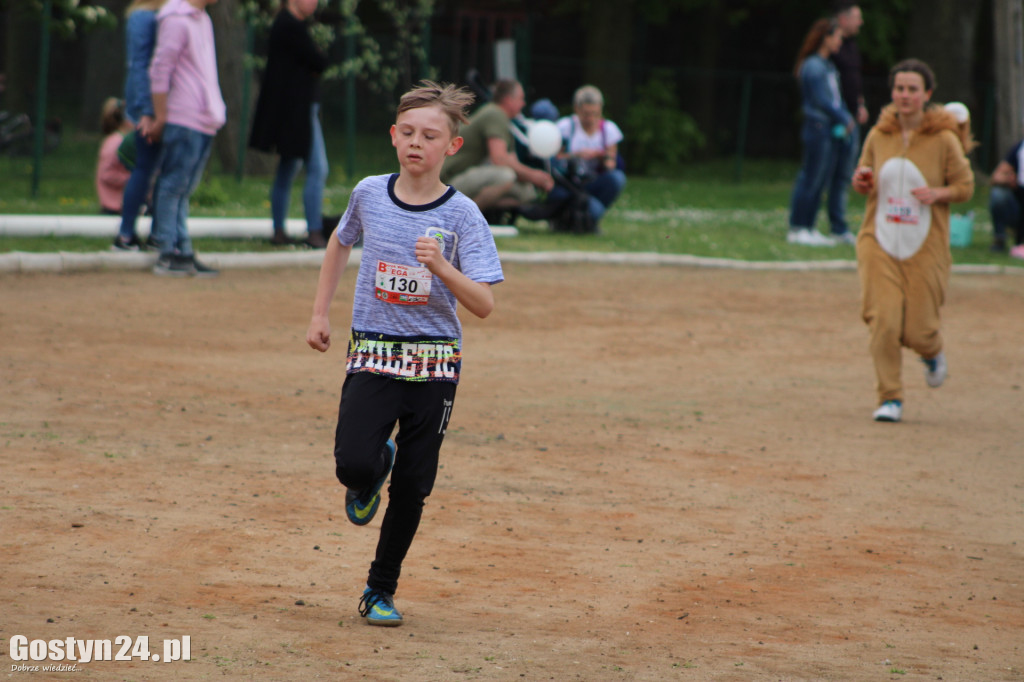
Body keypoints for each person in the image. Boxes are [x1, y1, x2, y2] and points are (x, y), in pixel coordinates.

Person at [305, 81, 503, 626]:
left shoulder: (464, 216)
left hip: (435, 364)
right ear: (394, 137)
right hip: (373, 352)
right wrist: (320, 313)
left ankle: (379, 589)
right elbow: (341, 240)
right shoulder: (369, 193)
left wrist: (442, 267)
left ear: (452, 147)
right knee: (353, 463)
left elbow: (483, 303)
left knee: (414, 486)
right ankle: (373, 468)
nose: (418, 142)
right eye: (409, 132)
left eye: (430, 135)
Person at [851, 58, 975, 423]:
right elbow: (865, 178)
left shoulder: (944, 139)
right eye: (899, 89)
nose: (904, 96)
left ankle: (932, 352)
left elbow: (966, 187)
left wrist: (938, 194)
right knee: (884, 321)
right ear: (892, 93)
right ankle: (890, 397)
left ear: (927, 94)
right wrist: (862, 181)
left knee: (919, 332)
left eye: (912, 89)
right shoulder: (879, 134)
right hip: (880, 239)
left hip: (926, 246)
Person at [248, 0, 337, 248]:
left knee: (288, 168)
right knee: (318, 168)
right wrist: (314, 65)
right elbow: (318, 61)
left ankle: (280, 230)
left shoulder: (287, 25)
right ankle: (315, 231)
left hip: (294, 111)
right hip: (298, 112)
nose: (315, 3)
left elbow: (314, 63)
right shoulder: (289, 26)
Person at [147, 0, 226, 277]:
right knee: (172, 186)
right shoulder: (176, 19)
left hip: (204, 119)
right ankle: (167, 252)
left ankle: (184, 250)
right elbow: (160, 68)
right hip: (184, 117)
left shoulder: (201, 17)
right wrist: (160, 116)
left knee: (184, 189)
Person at [439, 78, 553, 221]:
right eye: (520, 99)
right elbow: (499, 159)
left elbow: (512, 162)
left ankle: (487, 215)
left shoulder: (504, 120)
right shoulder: (495, 114)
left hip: (463, 177)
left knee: (527, 193)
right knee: (505, 176)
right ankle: (464, 219)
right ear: (508, 100)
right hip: (448, 181)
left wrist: (535, 180)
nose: (523, 104)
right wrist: (535, 176)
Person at [787, 18, 854, 247]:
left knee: (821, 179)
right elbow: (822, 100)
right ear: (825, 38)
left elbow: (834, 98)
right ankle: (798, 227)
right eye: (837, 37)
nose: (839, 42)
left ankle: (809, 227)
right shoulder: (814, 65)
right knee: (811, 177)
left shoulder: (828, 65)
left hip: (827, 129)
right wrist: (844, 117)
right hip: (817, 127)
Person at [113, 0, 167, 251]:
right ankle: (127, 234)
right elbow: (141, 65)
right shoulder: (145, 18)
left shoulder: (144, 16)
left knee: (151, 168)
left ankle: (137, 233)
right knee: (146, 167)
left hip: (150, 102)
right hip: (150, 105)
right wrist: (146, 109)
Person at [552, 84, 627, 228]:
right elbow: (555, 159)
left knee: (617, 178)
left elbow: (610, 164)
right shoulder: (565, 127)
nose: (590, 118)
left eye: (595, 113)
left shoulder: (609, 130)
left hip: (593, 181)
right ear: (576, 109)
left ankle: (590, 216)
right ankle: (565, 218)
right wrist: (576, 155)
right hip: (569, 183)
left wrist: (600, 156)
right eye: (586, 113)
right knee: (559, 196)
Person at [828, 1, 869, 244]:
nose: (860, 23)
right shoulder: (832, 48)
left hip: (852, 117)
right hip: (838, 120)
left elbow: (854, 79)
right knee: (829, 173)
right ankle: (828, 225)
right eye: (857, 17)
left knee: (844, 173)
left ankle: (839, 227)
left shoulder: (851, 46)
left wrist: (860, 104)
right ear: (843, 19)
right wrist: (843, 115)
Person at [95, 97, 134, 215]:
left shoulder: (120, 140)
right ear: (127, 120)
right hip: (114, 206)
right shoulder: (116, 142)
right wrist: (134, 179)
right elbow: (106, 174)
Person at [988, 139, 1024, 257]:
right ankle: (1000, 239)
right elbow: (995, 177)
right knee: (998, 194)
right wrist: (1009, 180)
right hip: (1017, 204)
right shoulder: (1019, 149)